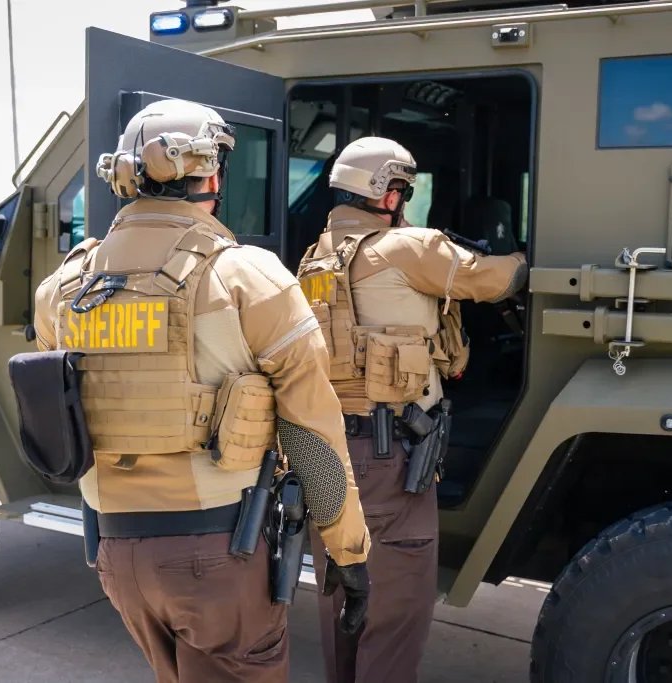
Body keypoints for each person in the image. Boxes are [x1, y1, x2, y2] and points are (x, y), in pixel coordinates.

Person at [31, 99, 372, 683]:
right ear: (211, 176)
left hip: (116, 554)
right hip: (217, 553)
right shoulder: (247, 276)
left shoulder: (63, 287)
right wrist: (348, 551)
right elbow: (312, 433)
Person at [297, 137, 528, 683]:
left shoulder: (315, 258)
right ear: (387, 192)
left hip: (326, 454)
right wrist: (524, 257)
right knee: (395, 614)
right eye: (402, 189)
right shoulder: (409, 248)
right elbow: (494, 279)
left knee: (342, 602)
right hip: (388, 459)